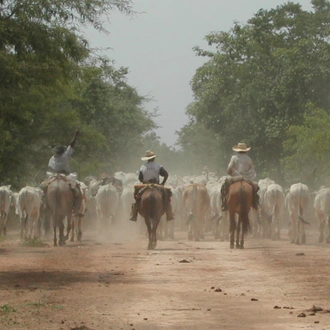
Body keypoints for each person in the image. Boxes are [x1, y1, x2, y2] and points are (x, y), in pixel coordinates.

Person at [41, 129, 82, 215]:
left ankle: (45, 205)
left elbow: (50, 169)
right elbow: (72, 144)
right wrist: (75, 135)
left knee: (43, 188)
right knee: (77, 190)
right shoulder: (66, 155)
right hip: (66, 175)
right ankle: (76, 209)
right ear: (63, 151)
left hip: (53, 176)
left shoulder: (52, 158)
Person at [130, 150, 174, 221]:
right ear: (153, 158)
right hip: (157, 185)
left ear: (147, 159)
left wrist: (144, 182)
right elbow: (166, 174)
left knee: (137, 197)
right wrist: (162, 183)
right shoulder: (158, 165)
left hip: (145, 185)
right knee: (167, 196)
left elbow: (140, 178)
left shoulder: (143, 166)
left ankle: (134, 214)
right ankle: (169, 214)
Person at [221, 142, 259, 211]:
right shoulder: (249, 159)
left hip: (235, 178)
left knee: (224, 187)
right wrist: (249, 176)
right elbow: (252, 170)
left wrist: (231, 173)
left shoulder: (234, 157)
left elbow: (229, 168)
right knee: (255, 188)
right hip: (247, 178)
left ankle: (224, 203)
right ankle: (255, 203)